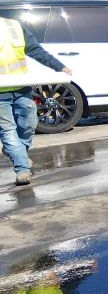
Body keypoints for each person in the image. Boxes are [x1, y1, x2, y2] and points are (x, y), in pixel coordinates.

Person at [0, 17, 71, 185]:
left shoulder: (14, 26)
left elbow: (36, 50)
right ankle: (22, 169)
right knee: (8, 131)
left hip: (21, 88)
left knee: (29, 125)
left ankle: (17, 153)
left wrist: (59, 66)